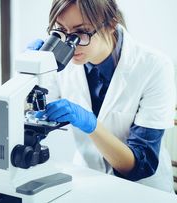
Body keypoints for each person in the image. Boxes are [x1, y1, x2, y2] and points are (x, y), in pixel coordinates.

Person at [28, 0, 176, 192]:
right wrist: (30, 73)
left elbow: (141, 164)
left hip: (143, 189)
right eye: (61, 31)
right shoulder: (60, 63)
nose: (69, 44)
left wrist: (93, 126)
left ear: (111, 24)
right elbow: (33, 112)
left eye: (81, 33)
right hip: (88, 179)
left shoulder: (155, 67)